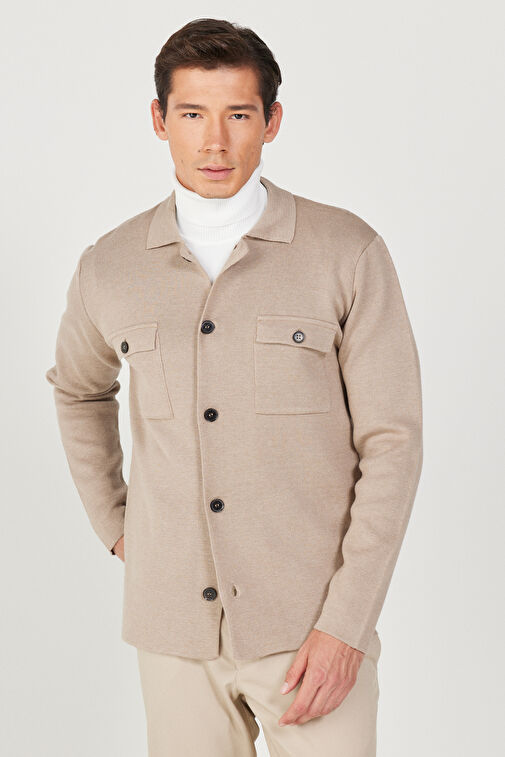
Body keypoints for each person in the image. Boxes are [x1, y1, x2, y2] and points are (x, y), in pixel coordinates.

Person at [45, 17, 423, 757]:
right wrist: (117, 523)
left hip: (311, 627)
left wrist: (346, 625)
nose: (214, 142)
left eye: (238, 115)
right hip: (173, 632)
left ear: (271, 121)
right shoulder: (109, 265)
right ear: (159, 120)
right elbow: (77, 390)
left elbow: (393, 442)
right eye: (192, 114)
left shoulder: (346, 251)